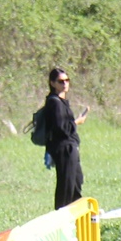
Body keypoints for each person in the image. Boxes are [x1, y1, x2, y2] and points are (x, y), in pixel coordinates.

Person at [42, 68, 88, 210]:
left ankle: (76, 216)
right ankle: (61, 219)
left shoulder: (61, 102)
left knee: (76, 181)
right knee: (66, 186)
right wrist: (77, 122)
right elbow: (61, 128)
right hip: (64, 149)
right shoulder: (55, 103)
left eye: (67, 80)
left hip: (70, 147)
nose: (65, 84)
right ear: (52, 83)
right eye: (61, 81)